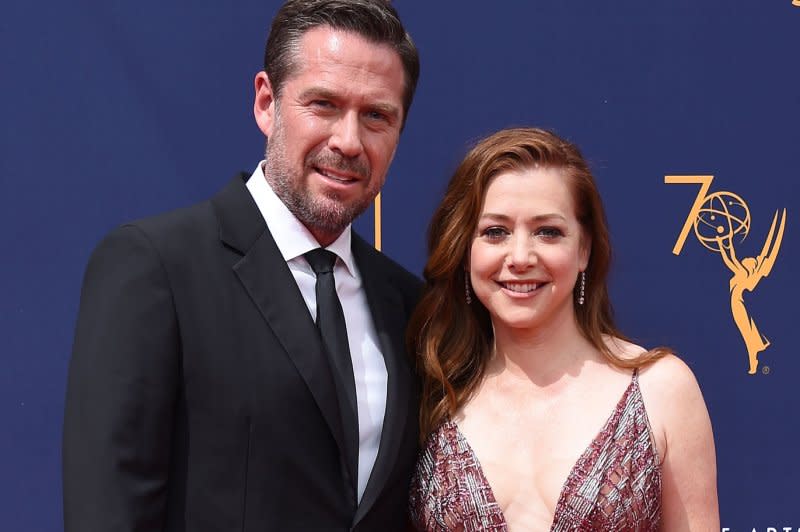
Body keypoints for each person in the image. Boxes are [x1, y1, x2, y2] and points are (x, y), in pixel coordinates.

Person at [63, 1, 421, 530]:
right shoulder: (156, 267)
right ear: (266, 103)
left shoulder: (407, 304)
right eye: (323, 104)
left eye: (376, 116)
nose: (348, 141)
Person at [407, 128, 719, 530]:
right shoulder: (429, 392)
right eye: (495, 232)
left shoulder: (660, 389)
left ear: (583, 248)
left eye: (547, 232)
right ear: (465, 250)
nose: (520, 256)